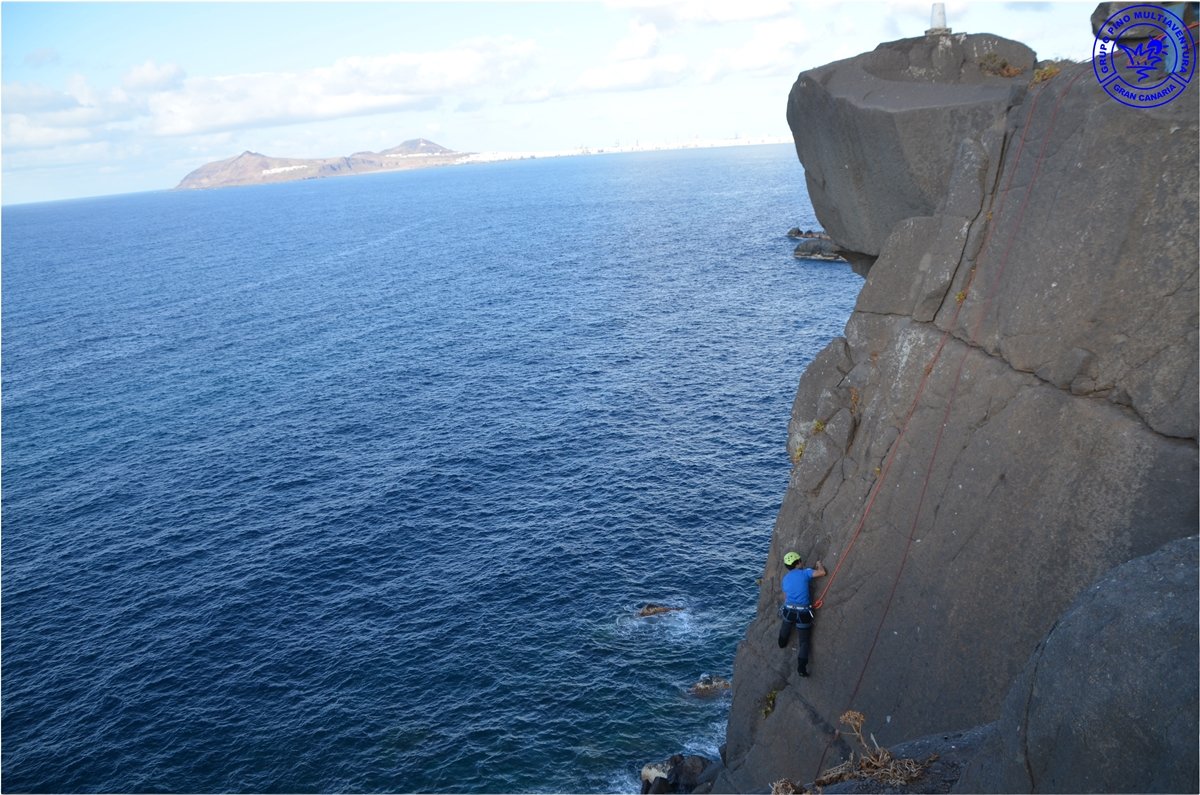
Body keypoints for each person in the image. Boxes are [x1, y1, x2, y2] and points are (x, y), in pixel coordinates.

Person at [777, 551, 826, 677]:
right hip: (803, 613)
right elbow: (822, 573)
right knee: (804, 642)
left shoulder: (785, 579)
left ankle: (782, 642)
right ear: (798, 563)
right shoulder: (805, 573)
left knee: (786, 624)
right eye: (800, 560)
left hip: (789, 610)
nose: (802, 562)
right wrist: (819, 564)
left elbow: (786, 596)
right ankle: (801, 668)